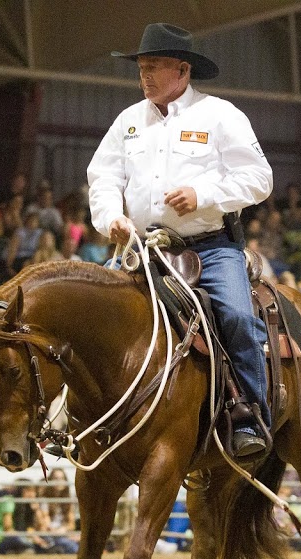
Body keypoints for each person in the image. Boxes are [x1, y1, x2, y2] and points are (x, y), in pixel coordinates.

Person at [88, 23, 274, 458]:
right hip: (143, 250)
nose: (145, 76)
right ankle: (83, 414)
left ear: (183, 70)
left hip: (208, 247)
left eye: (154, 67)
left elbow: (259, 178)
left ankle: (249, 415)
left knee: (237, 318)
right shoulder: (127, 122)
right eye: (142, 67)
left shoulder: (220, 115)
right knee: (92, 315)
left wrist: (203, 195)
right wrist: (111, 217)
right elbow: (103, 177)